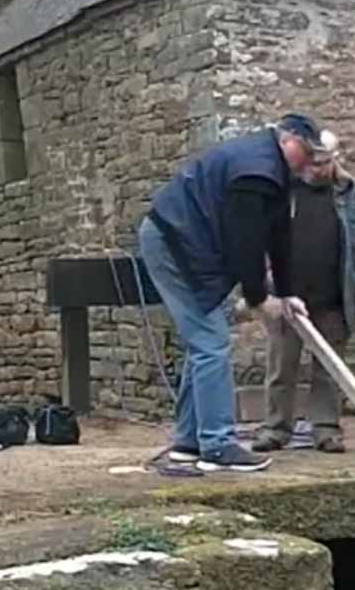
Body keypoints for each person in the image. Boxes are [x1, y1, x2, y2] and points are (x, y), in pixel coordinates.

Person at [137, 113, 324, 473]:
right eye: (308, 152)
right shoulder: (255, 172)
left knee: (205, 342)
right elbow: (245, 243)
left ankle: (189, 442)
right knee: (211, 341)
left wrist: (286, 293)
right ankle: (218, 444)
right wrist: (258, 298)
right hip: (174, 243)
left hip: (185, 243)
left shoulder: (274, 173)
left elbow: (279, 236)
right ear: (289, 142)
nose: (312, 163)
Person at [251, 130, 355, 454]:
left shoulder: (350, 193)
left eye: (323, 162)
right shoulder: (283, 189)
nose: (317, 169)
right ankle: (276, 428)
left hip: (334, 294)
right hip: (288, 295)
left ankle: (326, 429)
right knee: (282, 365)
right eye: (312, 162)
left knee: (330, 368)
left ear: (335, 159)